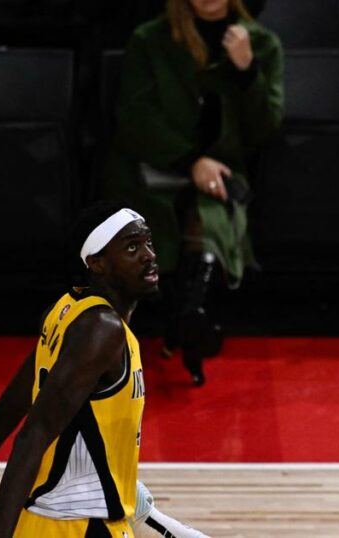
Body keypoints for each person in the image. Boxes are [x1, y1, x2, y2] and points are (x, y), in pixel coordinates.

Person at [0, 202, 208, 537]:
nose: (149, 255)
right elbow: (31, 436)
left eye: (148, 242)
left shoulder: (67, 311)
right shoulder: (101, 331)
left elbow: (5, 413)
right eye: (132, 247)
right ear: (97, 263)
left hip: (51, 521)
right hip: (77, 525)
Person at [103, 0, 284, 386]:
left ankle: (190, 314)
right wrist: (190, 161)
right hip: (152, 166)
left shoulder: (260, 43)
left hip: (222, 169)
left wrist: (246, 71)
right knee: (159, 215)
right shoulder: (150, 39)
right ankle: (185, 317)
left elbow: (264, 129)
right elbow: (135, 118)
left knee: (214, 210)